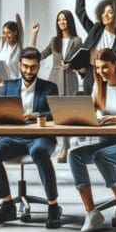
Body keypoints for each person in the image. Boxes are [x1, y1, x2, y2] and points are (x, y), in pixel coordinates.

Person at [68, 48, 116, 232]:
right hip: (106, 142)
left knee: (100, 156)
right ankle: (92, 213)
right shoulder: (98, 87)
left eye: (105, 67)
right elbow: (88, 112)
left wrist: (115, 118)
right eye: (97, 68)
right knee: (74, 156)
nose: (101, 72)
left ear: (115, 64)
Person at [0, 48, 61, 229]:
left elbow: (56, 113)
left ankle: (53, 206)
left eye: (33, 67)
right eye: (25, 67)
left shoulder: (50, 87)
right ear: (19, 64)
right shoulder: (9, 86)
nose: (28, 71)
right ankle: (7, 205)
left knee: (39, 152)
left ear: (39, 66)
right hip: (13, 137)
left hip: (40, 137)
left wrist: (36, 115)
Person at [31, 10, 83, 163]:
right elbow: (38, 56)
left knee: (66, 115)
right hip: (54, 79)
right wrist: (35, 34)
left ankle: (65, 148)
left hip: (70, 79)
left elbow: (81, 62)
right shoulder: (54, 40)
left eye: (65, 19)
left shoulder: (77, 40)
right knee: (51, 113)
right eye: (59, 20)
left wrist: (72, 65)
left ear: (69, 22)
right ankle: (48, 145)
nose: (62, 22)